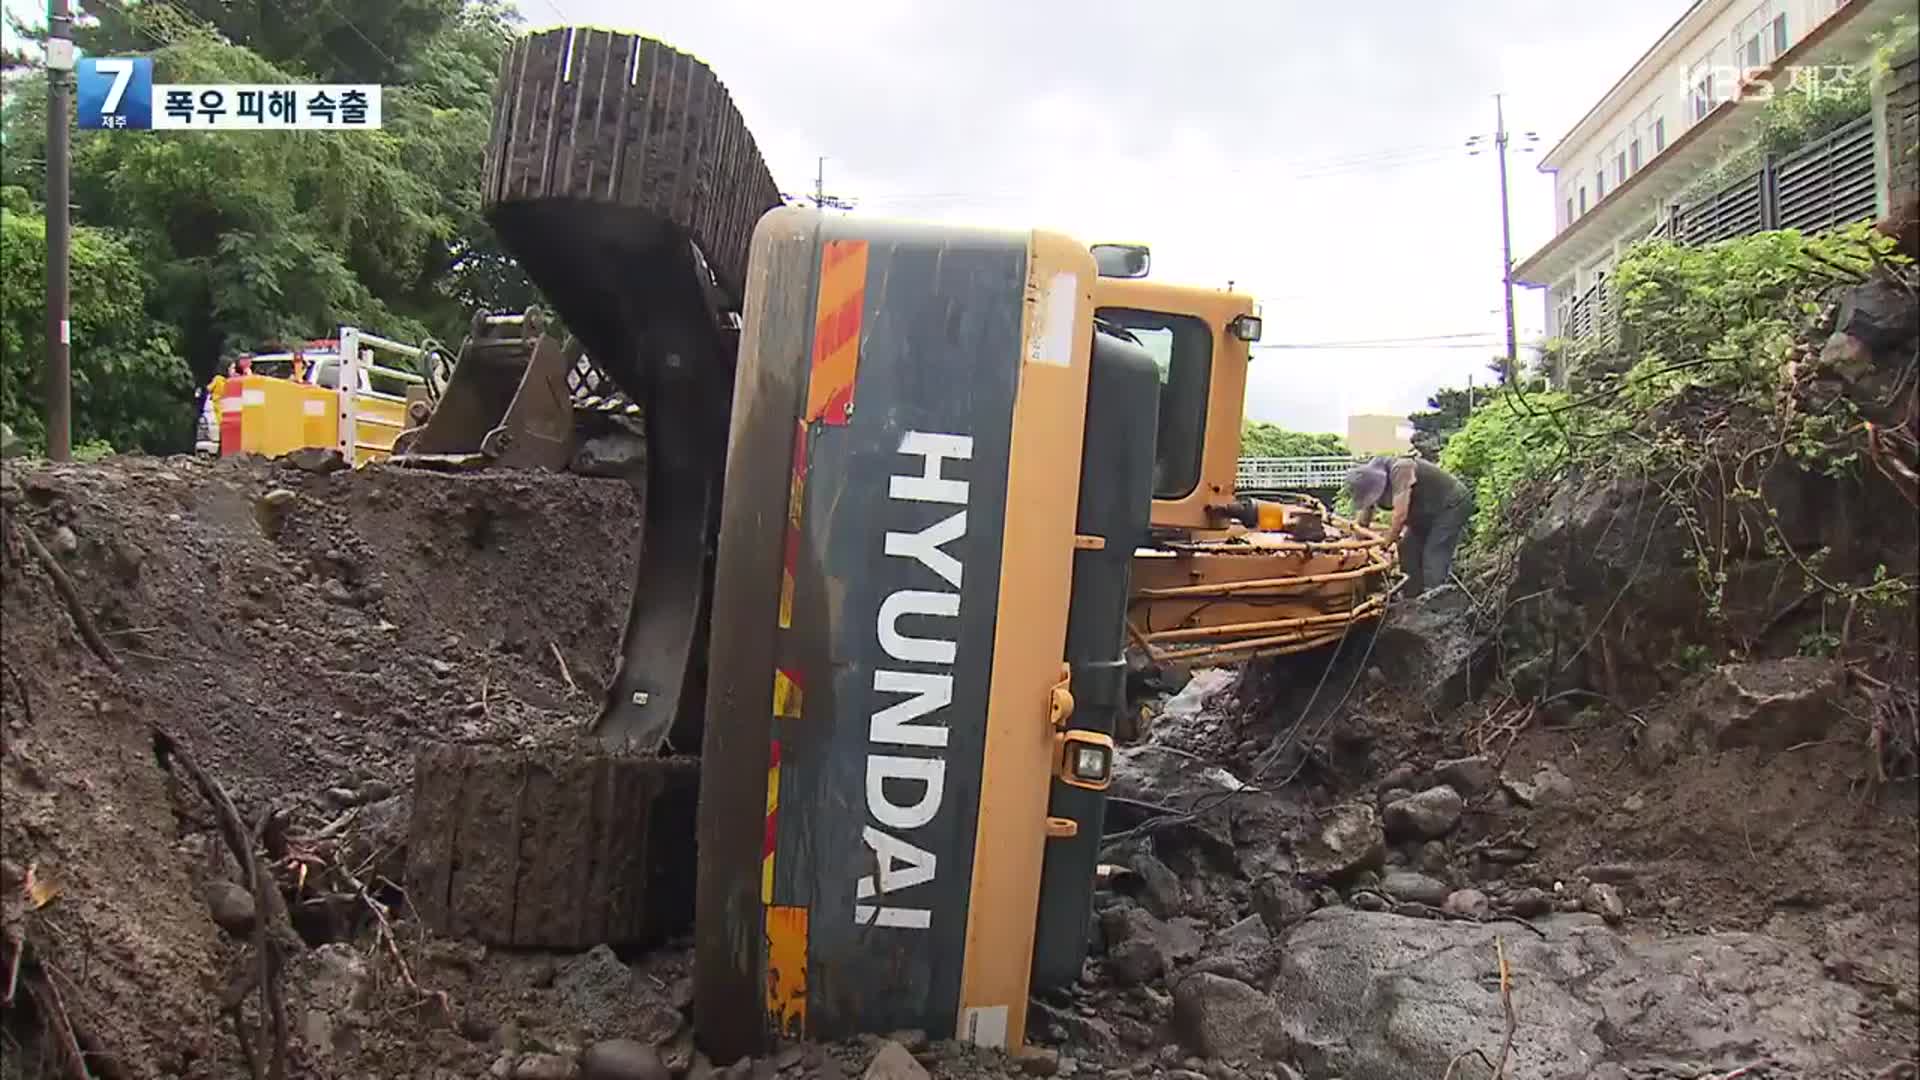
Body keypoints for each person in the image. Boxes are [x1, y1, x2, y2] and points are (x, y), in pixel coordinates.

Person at [1345, 455, 1473, 598]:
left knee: (1434, 551)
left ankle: (1435, 597)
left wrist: (1385, 545)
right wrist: (1354, 547)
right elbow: (1364, 519)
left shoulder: (1401, 470)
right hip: (1425, 513)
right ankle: (1411, 597)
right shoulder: (1370, 477)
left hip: (1451, 504)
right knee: (1407, 547)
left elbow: (1400, 516)